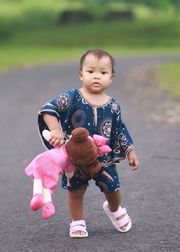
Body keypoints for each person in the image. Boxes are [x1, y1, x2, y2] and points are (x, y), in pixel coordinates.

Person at [38, 48, 139, 238]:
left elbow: (120, 129)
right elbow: (48, 109)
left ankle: (114, 209)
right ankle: (77, 221)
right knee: (75, 191)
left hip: (104, 158)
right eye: (90, 71)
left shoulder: (114, 105)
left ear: (111, 77)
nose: (96, 76)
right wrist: (55, 130)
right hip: (74, 158)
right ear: (81, 74)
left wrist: (130, 151)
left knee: (113, 188)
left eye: (103, 72)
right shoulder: (71, 97)